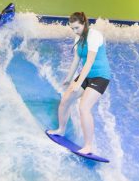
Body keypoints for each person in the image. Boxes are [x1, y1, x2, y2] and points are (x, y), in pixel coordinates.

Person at [46, 12, 111, 156]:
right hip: (86, 76)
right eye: (72, 29)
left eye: (76, 28)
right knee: (65, 100)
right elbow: (77, 60)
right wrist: (69, 78)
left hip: (100, 77)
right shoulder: (78, 38)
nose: (74, 31)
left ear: (84, 24)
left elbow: (89, 61)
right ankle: (61, 129)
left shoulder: (94, 35)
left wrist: (79, 82)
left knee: (84, 108)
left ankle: (88, 146)